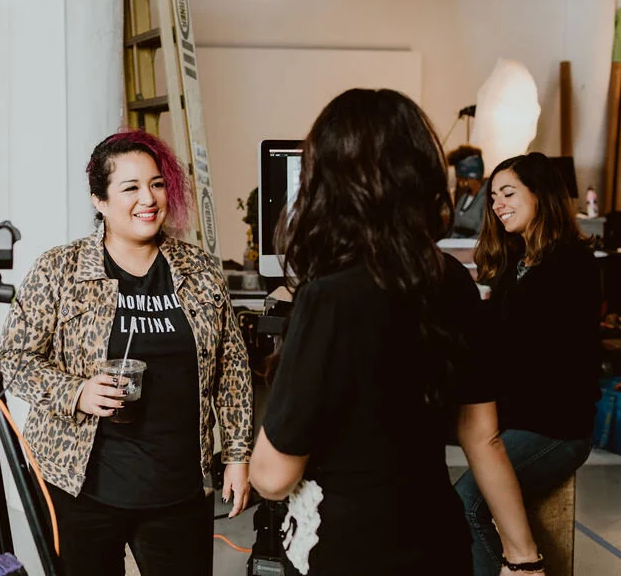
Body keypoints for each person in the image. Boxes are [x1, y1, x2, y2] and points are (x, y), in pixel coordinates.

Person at [249, 89, 544, 575]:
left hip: (350, 550)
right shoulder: (452, 281)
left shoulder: (327, 297)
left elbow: (274, 475)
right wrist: (523, 556)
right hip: (438, 544)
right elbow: (482, 435)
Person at [0, 130, 253, 576]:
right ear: (99, 200)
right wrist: (77, 391)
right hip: (81, 488)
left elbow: (232, 367)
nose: (148, 199)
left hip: (178, 488)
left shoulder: (200, 270)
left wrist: (237, 452)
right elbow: (13, 359)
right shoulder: (61, 269)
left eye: (155, 184)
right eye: (130, 188)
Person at [455, 152, 601, 576]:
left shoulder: (571, 264)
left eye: (508, 193)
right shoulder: (517, 265)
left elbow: (530, 353)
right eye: (493, 196)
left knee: (467, 502)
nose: (497, 204)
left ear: (540, 195)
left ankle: (526, 567)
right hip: (516, 420)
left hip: (556, 428)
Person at [447, 144, 487, 238]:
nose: (458, 180)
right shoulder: (464, 197)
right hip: (457, 246)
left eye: (460, 177)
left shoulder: (488, 197)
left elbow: (485, 233)